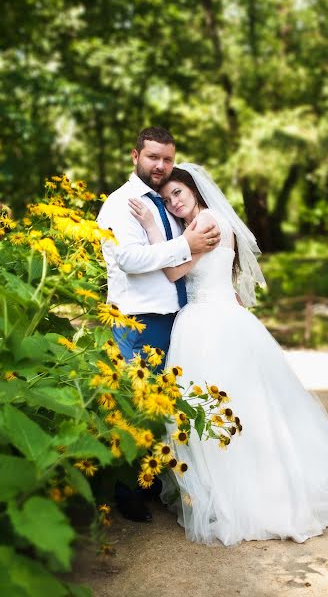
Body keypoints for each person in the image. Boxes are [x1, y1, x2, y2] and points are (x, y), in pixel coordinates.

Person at [129, 163, 328, 545]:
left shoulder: (203, 224)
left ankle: (240, 498)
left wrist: (153, 229)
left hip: (208, 322)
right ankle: (245, 487)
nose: (173, 202)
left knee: (220, 407)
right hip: (223, 315)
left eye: (178, 194)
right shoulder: (213, 218)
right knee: (241, 404)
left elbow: (174, 273)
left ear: (194, 190)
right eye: (168, 198)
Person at [97, 129, 220, 522]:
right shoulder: (122, 204)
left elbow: (172, 261)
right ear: (135, 155)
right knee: (134, 406)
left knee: (162, 406)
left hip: (176, 319)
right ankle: (126, 492)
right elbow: (131, 259)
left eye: (167, 159)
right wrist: (189, 246)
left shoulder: (165, 203)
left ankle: (151, 483)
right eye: (153, 157)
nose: (160, 166)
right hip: (138, 319)